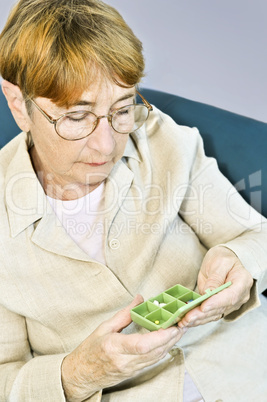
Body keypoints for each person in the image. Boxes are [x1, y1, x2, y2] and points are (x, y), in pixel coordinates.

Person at [0, 0, 266, 401]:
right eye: (76, 117)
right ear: (20, 105)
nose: (106, 145)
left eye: (122, 110)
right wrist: (79, 374)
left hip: (243, 371)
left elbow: (253, 233)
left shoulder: (161, 138)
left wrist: (239, 261)